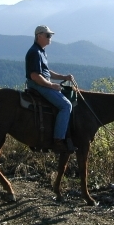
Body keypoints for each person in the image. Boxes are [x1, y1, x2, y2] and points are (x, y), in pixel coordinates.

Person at [25, 25, 76, 153]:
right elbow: (35, 76)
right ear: (39, 36)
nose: (50, 38)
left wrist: (64, 77)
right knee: (66, 105)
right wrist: (51, 85)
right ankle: (58, 141)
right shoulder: (34, 52)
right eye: (48, 35)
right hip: (37, 84)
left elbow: (47, 72)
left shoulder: (41, 51)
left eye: (51, 35)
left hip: (42, 82)